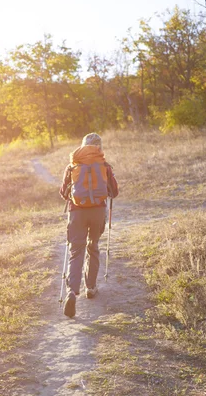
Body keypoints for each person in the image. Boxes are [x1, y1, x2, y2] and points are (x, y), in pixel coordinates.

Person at [59, 133, 119, 318]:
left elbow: (63, 192)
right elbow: (114, 192)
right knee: (92, 247)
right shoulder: (105, 166)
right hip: (98, 212)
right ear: (99, 147)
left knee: (76, 251)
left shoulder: (73, 165)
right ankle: (91, 287)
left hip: (76, 212)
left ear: (83, 146)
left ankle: (71, 292)